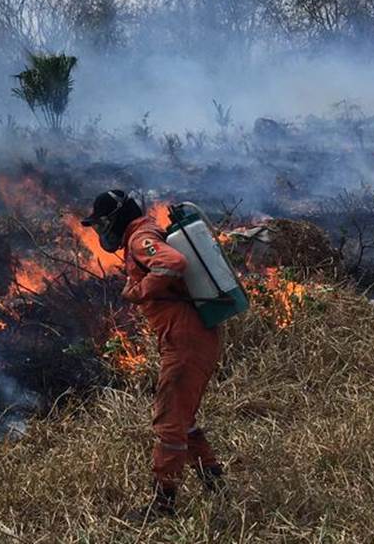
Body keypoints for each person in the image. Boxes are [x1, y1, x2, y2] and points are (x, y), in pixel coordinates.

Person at [81, 190, 224, 520]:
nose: (102, 232)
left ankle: (163, 506)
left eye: (102, 223)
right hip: (190, 337)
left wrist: (139, 291)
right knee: (183, 420)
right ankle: (216, 485)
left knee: (168, 422)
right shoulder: (145, 233)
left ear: (116, 218)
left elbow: (173, 262)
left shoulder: (140, 238)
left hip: (185, 341)